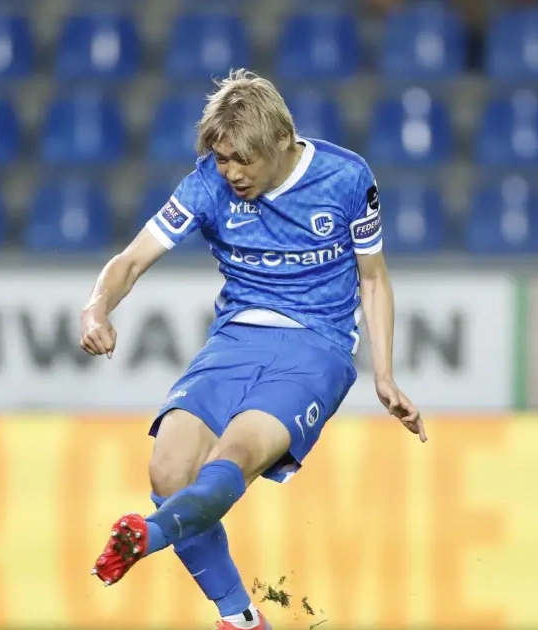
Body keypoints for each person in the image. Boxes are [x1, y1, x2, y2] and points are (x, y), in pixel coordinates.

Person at [80, 69, 424, 630]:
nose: (232, 173)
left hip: (317, 348)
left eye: (244, 159)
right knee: (168, 471)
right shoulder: (207, 184)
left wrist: (384, 374)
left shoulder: (346, 177)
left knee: (233, 457)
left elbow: (374, 277)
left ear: (282, 140)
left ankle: (149, 535)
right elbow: (132, 260)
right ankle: (240, 618)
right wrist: (96, 308)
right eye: (222, 159)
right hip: (234, 340)